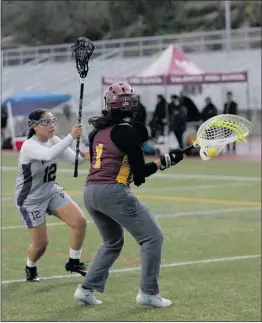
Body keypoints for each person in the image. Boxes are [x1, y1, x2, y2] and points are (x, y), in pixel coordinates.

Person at [73, 82, 184, 307]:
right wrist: (165, 161)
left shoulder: (97, 132)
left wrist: (162, 160)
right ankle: (149, 293)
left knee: (112, 241)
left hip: (90, 192)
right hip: (112, 191)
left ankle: (86, 289)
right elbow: (140, 173)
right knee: (152, 237)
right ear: (132, 106)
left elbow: (126, 170)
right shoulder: (127, 132)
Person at [15, 108, 90, 282]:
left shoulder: (54, 140)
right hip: (30, 200)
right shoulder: (29, 146)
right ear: (33, 126)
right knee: (41, 245)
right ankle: (30, 267)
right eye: (46, 122)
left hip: (51, 191)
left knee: (79, 222)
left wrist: (85, 154)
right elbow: (48, 154)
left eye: (53, 121)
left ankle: (74, 261)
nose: (51, 125)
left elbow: (75, 161)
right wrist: (71, 137)